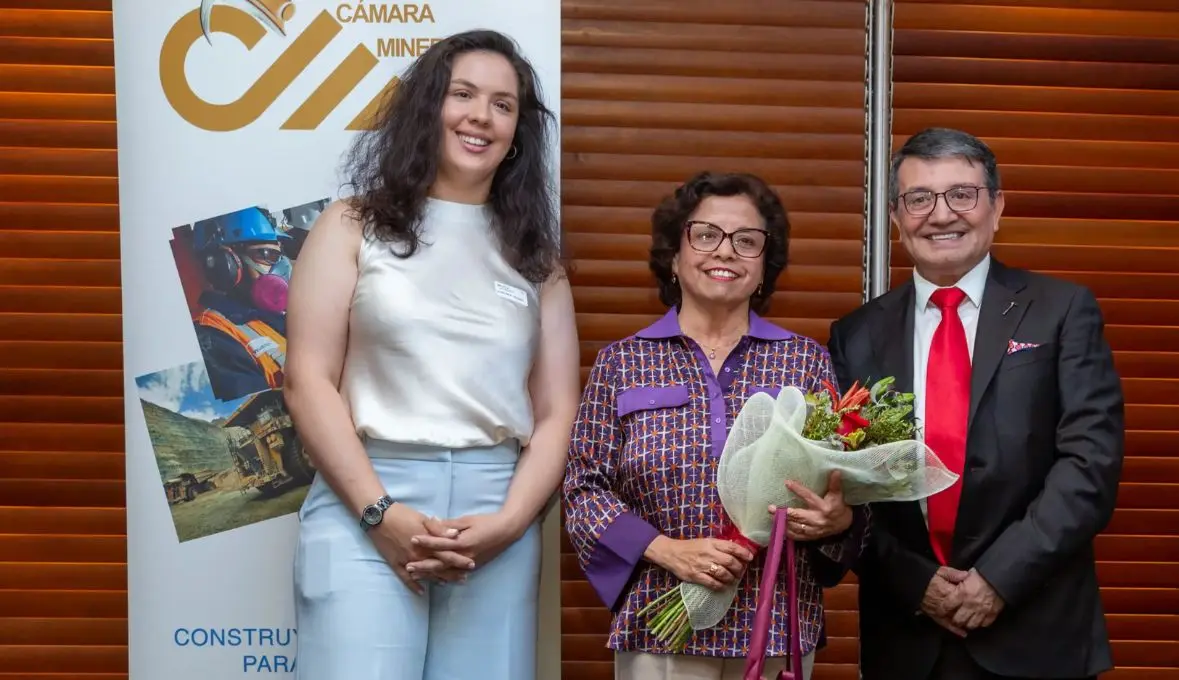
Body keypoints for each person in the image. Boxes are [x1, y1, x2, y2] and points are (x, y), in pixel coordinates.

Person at [284, 30, 579, 680]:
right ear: (427, 108)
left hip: (496, 522)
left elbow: (558, 411)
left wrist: (508, 524)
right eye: (464, 94)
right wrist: (378, 513)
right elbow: (308, 380)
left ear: (518, 132)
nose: (482, 116)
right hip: (366, 502)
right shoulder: (350, 224)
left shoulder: (537, 259)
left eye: (503, 105)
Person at [823, 127, 1125, 680]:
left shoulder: (1061, 311)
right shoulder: (856, 335)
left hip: (1037, 630)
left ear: (996, 206)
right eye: (920, 199)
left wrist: (998, 579)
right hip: (908, 638)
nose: (941, 215)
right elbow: (846, 488)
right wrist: (917, 583)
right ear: (895, 215)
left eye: (961, 194)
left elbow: (1090, 467)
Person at [562, 171, 866, 680]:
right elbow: (583, 490)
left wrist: (837, 520)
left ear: (765, 267)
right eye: (705, 235)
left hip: (775, 624)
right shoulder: (622, 362)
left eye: (747, 242)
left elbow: (845, 486)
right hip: (658, 623)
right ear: (674, 257)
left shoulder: (806, 364)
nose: (726, 252)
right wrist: (668, 551)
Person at [189, 206, 292, 401]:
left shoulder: (279, 316)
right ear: (225, 264)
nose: (281, 268)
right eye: (265, 255)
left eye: (279, 256)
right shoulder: (212, 336)